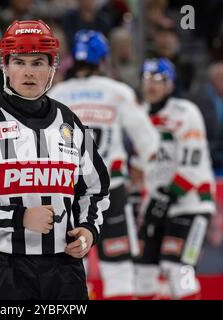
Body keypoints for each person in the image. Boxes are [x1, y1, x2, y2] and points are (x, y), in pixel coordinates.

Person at [0, 19, 110, 300]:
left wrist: (89, 229)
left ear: (52, 68)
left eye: (38, 63)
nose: (28, 72)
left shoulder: (70, 122)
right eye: (19, 62)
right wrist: (18, 218)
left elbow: (95, 188)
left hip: (64, 270)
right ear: (4, 66)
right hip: (0, 270)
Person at [48, 30, 159, 299]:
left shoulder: (57, 94)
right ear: (103, 60)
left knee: (71, 268)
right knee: (118, 269)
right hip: (111, 191)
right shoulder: (118, 92)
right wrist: (139, 168)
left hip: (68, 194)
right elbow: (150, 143)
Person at [134, 58, 216, 300]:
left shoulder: (185, 111)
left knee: (179, 271)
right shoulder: (139, 116)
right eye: (147, 79)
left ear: (170, 85)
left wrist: (167, 197)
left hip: (191, 205)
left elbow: (193, 165)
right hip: (157, 206)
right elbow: (139, 165)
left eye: (159, 80)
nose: (151, 85)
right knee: (142, 275)